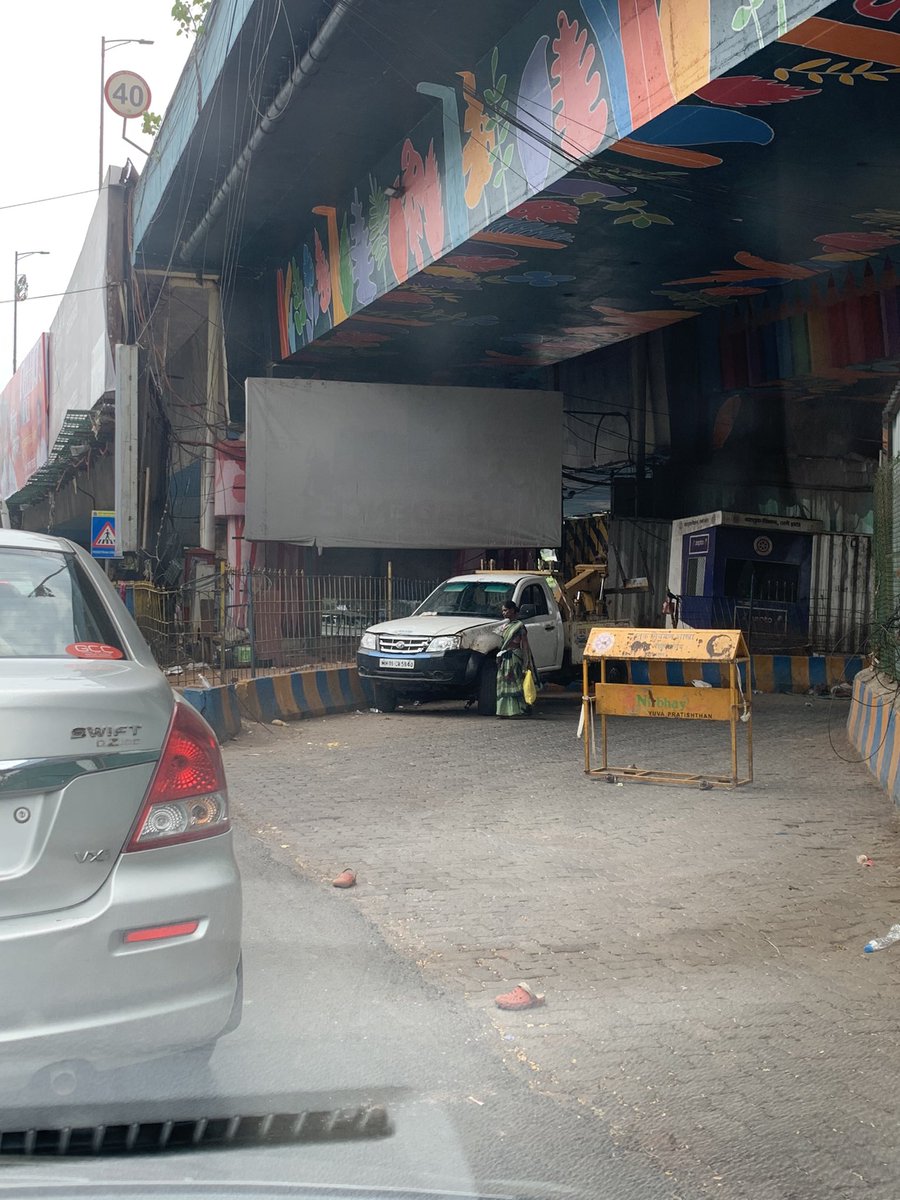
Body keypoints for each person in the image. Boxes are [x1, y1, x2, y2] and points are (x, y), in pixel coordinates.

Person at [496, 600, 538, 719]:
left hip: (514, 657)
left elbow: (525, 644)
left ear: (512, 610)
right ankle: (504, 711)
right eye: (503, 611)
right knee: (504, 684)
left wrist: (526, 661)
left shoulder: (519, 626)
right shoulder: (505, 626)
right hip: (504, 657)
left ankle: (519, 710)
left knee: (516, 683)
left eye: (506, 610)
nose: (504, 613)